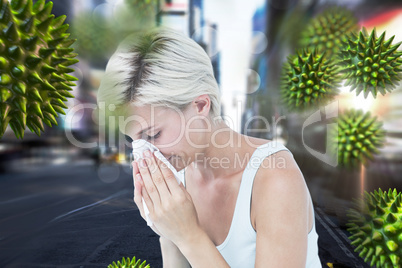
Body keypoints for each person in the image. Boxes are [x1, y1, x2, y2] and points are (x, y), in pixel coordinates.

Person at [97, 27, 322, 268]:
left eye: (153, 134)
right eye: (135, 141)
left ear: (201, 105)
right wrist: (167, 231)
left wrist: (188, 235)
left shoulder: (275, 178)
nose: (145, 155)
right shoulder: (178, 180)